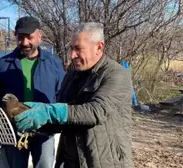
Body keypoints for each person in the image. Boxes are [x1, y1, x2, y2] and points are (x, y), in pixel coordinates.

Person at [12, 22, 134, 168]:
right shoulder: (72, 75)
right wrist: (35, 121)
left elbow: (95, 112)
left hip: (103, 161)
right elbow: (64, 118)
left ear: (99, 47)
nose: (72, 55)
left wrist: (48, 111)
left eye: (78, 49)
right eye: (71, 48)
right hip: (70, 160)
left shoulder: (116, 74)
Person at [0, 16, 65, 168]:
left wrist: (56, 126)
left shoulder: (53, 63)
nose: (25, 43)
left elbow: (61, 96)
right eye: (20, 38)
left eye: (29, 37)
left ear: (39, 37)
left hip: (44, 131)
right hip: (14, 133)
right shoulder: (3, 64)